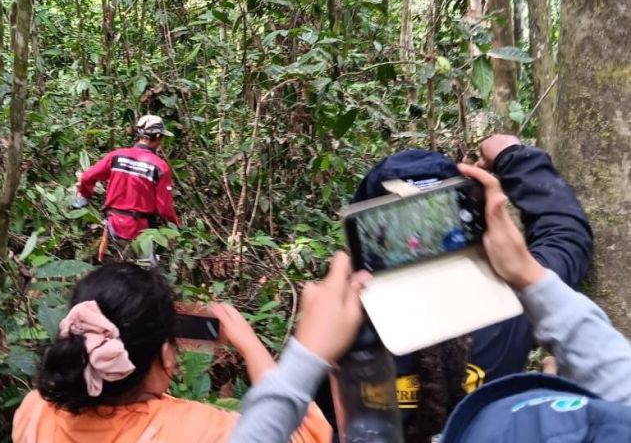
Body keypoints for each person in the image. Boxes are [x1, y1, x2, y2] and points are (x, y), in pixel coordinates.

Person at [228, 164, 631, 443]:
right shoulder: (513, 309)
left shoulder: (339, 338)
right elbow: (567, 237)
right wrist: (517, 161)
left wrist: (305, 357)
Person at [316, 135, 594, 442]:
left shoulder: (336, 328)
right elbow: (565, 236)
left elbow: (307, 416)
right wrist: (513, 156)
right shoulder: (510, 301)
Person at [12, 263, 332, 443]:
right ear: (166, 355)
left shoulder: (37, 409)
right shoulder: (200, 431)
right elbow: (298, 433)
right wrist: (249, 345)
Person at [75, 115, 180, 261]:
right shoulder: (160, 167)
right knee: (146, 274)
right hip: (141, 230)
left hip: (113, 226)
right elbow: (164, 208)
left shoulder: (116, 156)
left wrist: (84, 196)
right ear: (157, 136)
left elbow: (87, 177)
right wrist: (175, 226)